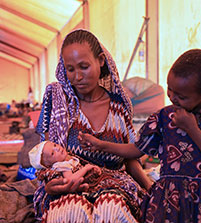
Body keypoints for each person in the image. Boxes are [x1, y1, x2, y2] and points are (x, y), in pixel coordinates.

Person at [79, 49, 201, 222]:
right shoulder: (164, 117)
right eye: (170, 89)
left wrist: (192, 129)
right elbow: (136, 150)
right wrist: (101, 144)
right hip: (169, 203)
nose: (173, 98)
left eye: (182, 96)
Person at [33, 29, 152, 222]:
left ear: (101, 61)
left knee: (111, 210)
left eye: (84, 66)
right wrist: (51, 185)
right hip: (69, 186)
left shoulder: (119, 107)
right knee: (68, 212)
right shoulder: (58, 102)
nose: (77, 76)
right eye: (70, 69)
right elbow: (46, 156)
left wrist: (151, 188)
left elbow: (130, 159)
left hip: (114, 184)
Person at [30, 140, 146, 220]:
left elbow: (134, 151)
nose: (58, 149)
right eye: (52, 153)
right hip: (83, 188)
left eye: (55, 145)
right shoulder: (62, 165)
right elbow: (71, 179)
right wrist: (87, 168)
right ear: (48, 164)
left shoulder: (68, 159)